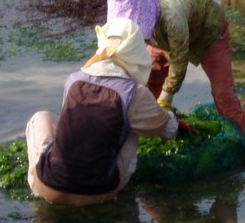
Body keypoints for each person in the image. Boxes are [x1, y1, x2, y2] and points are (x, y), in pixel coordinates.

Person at [25, 17, 190, 206]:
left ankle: (35, 185)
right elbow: (167, 129)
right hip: (100, 192)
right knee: (133, 125)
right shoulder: (134, 93)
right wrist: (176, 123)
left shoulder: (73, 80)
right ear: (135, 50)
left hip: (50, 186)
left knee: (41, 117)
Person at [106, 0, 245, 148]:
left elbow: (179, 61)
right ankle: (148, 130)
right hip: (163, 39)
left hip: (209, 33)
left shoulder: (172, 18)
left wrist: (166, 98)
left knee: (224, 95)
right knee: (151, 79)